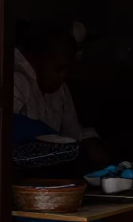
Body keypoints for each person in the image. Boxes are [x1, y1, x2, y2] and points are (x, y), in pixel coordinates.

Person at [13, 20, 110, 173]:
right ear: (36, 59)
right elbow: (7, 130)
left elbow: (72, 132)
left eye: (67, 69)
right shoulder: (17, 80)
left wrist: (88, 143)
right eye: (59, 69)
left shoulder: (59, 88)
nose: (63, 77)